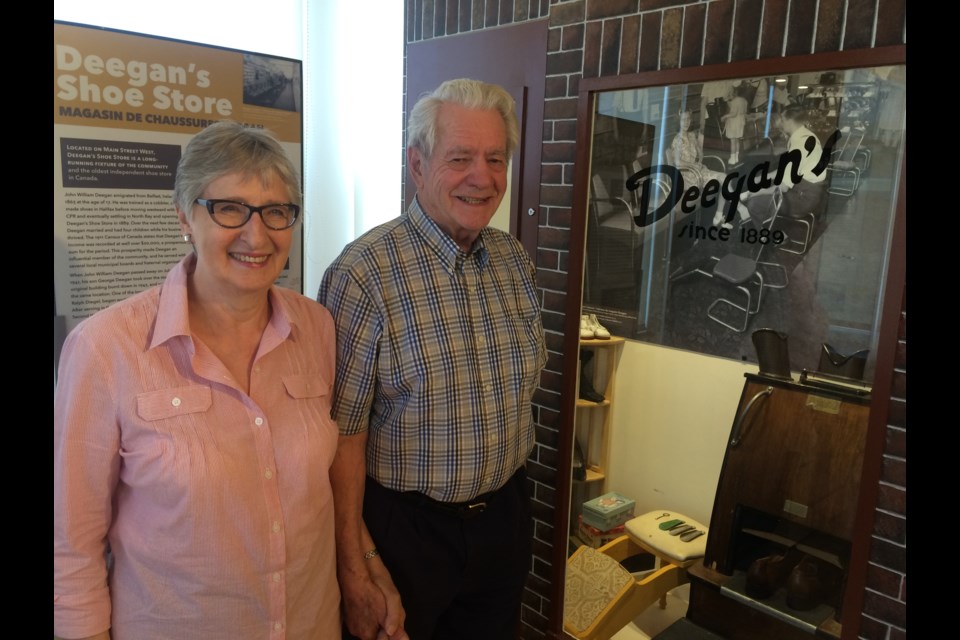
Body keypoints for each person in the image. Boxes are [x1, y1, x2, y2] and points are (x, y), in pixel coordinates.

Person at [54, 122, 341, 640]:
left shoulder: (316, 329)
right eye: (229, 208)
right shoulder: (105, 348)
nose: (258, 235)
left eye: (277, 211)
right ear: (185, 216)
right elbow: (71, 542)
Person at [317, 78, 548, 640]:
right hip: (405, 534)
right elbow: (342, 438)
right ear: (417, 164)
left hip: (504, 518)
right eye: (460, 157)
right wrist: (355, 564)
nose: (483, 177)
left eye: (496, 158)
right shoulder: (362, 273)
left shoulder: (514, 260)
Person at [721, 83, 748, 165]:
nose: (729, 97)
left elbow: (734, 113)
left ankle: (732, 158)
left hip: (734, 123)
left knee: (733, 141)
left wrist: (724, 116)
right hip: (740, 123)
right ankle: (736, 157)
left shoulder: (735, 101)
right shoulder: (744, 100)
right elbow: (744, 111)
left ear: (734, 93)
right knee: (737, 141)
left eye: (730, 94)